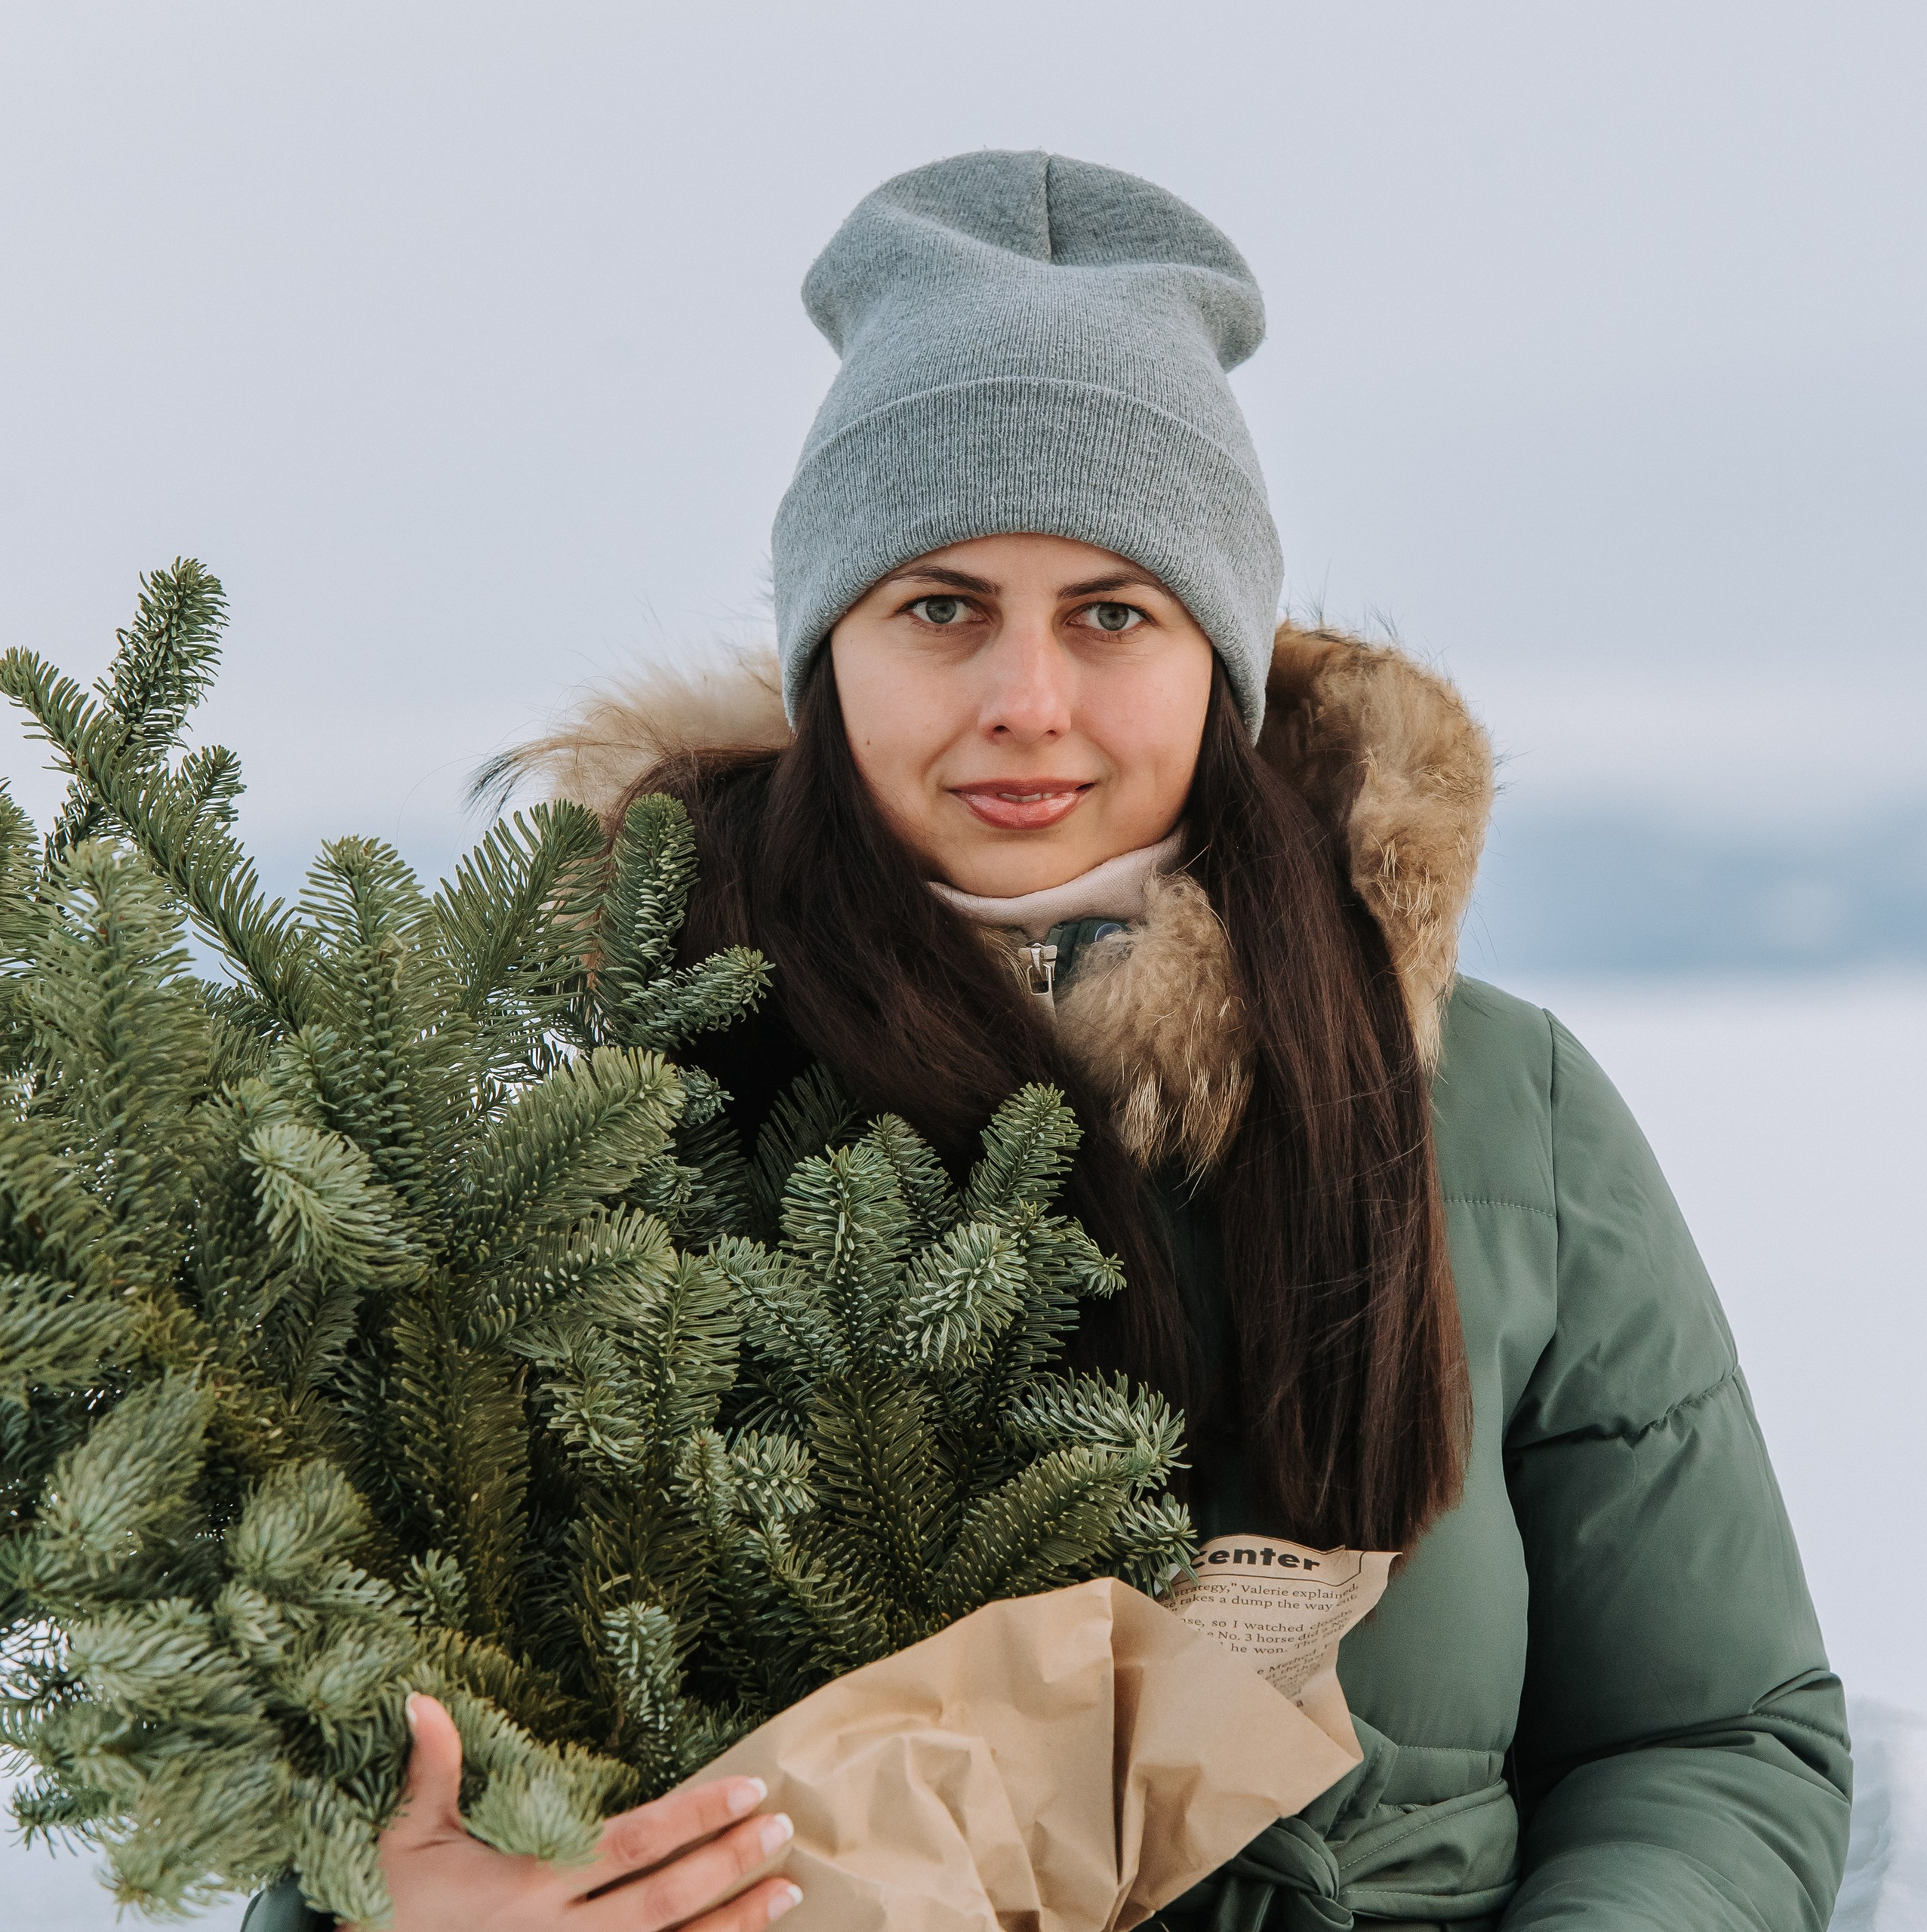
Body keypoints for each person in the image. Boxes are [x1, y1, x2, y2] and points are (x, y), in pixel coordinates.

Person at [251, 151, 1852, 1931]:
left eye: (1111, 612)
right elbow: (371, 1788)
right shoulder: (607, 1129)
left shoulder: (1498, 1111)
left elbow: (1712, 1731)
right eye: (939, 606)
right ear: (829, 655)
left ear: (1216, 663)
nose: (1026, 700)